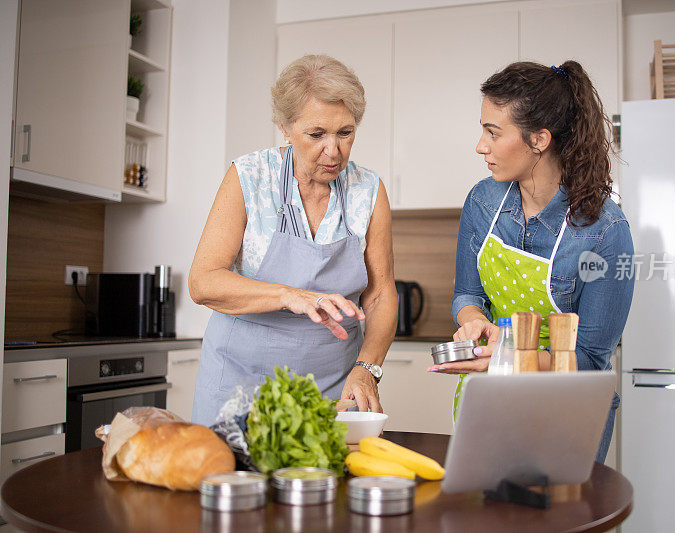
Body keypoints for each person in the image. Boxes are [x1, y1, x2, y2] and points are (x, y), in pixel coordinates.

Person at [427, 61, 634, 463]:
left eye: (493, 132)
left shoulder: (605, 231)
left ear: (539, 139)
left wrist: (507, 356)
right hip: (491, 401)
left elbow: (591, 361)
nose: (480, 145)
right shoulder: (483, 202)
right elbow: (468, 292)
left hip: (567, 414)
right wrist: (472, 320)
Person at [189, 55, 396, 426]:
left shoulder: (369, 190)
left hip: (331, 388)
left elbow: (380, 293)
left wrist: (368, 367)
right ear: (285, 127)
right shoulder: (248, 177)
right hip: (241, 385)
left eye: (345, 133)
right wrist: (291, 296)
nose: (334, 151)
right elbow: (203, 282)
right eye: (316, 135)